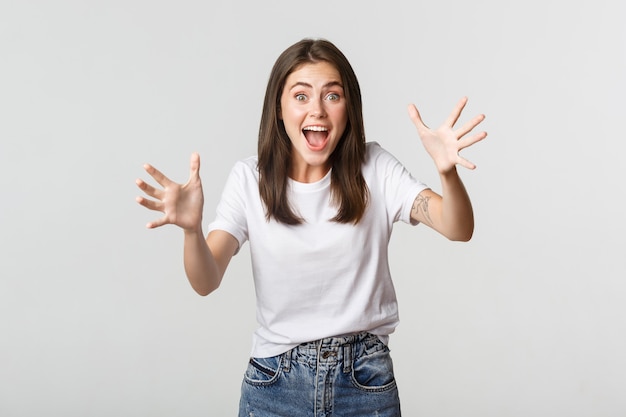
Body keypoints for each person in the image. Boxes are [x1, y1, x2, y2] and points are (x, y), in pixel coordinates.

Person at [135, 38, 486, 417]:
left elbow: (457, 227)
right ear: (279, 109)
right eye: (301, 96)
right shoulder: (249, 179)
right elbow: (206, 280)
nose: (317, 110)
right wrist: (191, 230)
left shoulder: (375, 168)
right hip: (274, 386)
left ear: (348, 108)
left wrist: (447, 173)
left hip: (364, 383)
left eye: (332, 96)